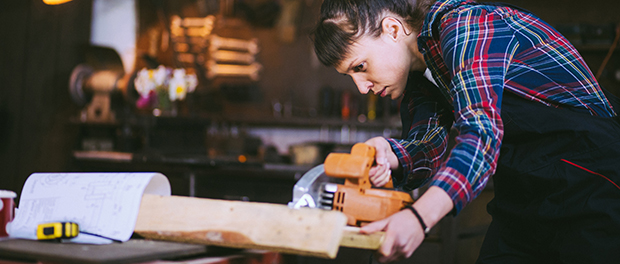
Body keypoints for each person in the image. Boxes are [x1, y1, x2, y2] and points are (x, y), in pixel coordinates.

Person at [312, 0, 620, 263]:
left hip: (592, 182)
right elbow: (428, 144)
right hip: (524, 195)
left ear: (392, 29)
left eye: (360, 66)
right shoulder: (420, 74)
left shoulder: (467, 27)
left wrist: (420, 219)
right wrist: (390, 155)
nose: (362, 87)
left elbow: (481, 134)